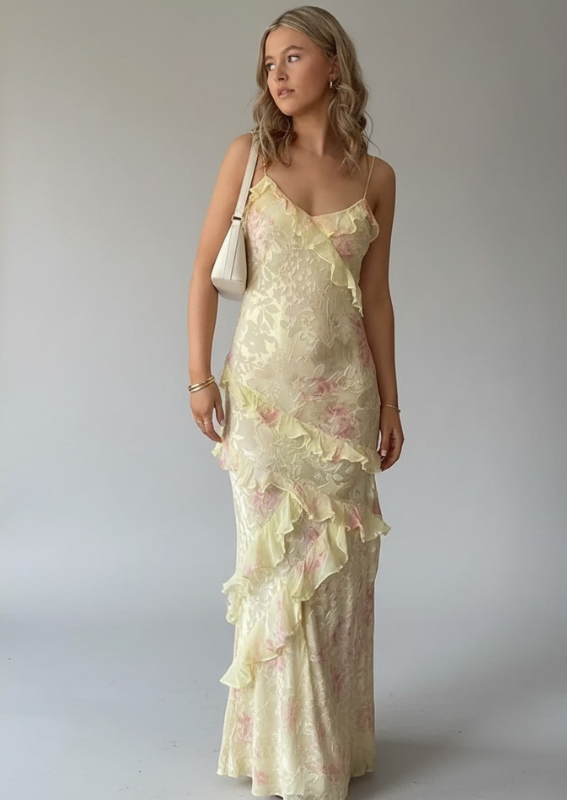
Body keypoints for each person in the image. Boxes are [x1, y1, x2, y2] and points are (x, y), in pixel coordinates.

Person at [186, 7, 403, 799]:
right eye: (269, 62)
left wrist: (391, 404)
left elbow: (376, 302)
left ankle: (324, 749)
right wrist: (199, 377)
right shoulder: (247, 159)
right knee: (272, 572)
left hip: (344, 407)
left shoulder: (376, 177)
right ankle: (280, 754)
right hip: (261, 402)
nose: (276, 74)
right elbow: (202, 271)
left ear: (334, 68)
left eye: (294, 57)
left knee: (338, 586)